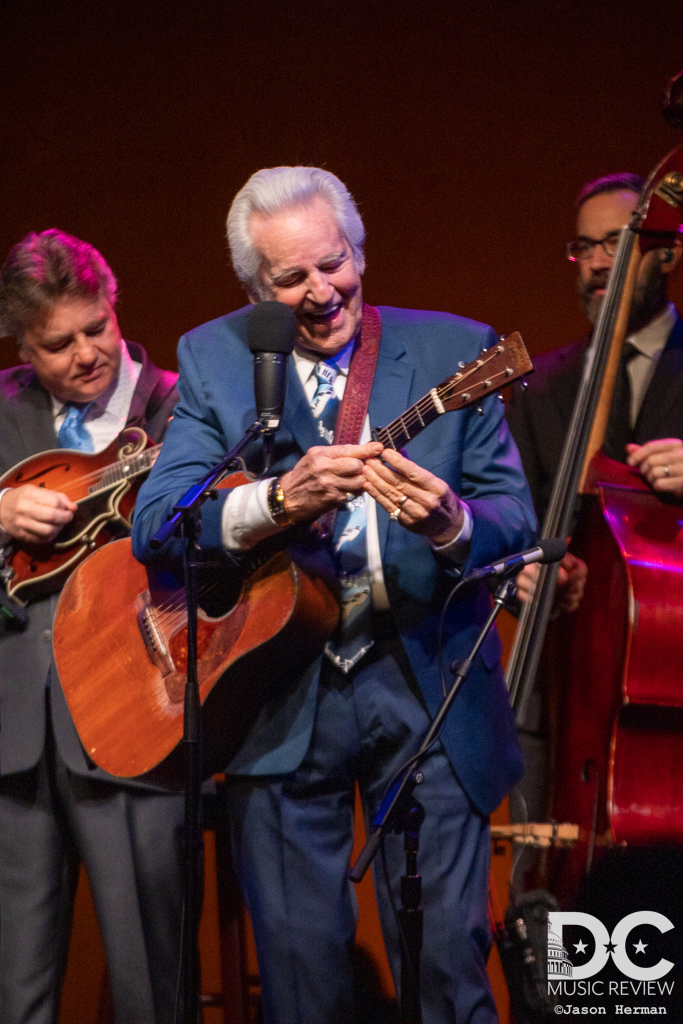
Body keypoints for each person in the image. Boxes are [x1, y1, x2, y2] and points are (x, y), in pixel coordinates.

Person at [132, 166, 537, 1024]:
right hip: (276, 696)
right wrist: (276, 501)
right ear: (256, 291)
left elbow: (512, 519)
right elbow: (159, 522)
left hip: (426, 684)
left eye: (335, 263)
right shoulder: (215, 356)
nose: (322, 292)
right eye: (291, 280)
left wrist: (450, 522)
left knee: (445, 979)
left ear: (358, 250)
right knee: (300, 988)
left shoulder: (452, 349)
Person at [0, 230, 184, 1024]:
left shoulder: (180, 404)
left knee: (152, 980)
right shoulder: (3, 411)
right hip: (14, 731)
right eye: (55, 344)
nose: (83, 355)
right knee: (17, 983)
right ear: (21, 346)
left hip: (130, 714)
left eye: (95, 329)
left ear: (115, 308)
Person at [506, 173, 683, 825]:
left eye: (618, 241)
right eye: (584, 248)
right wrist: (519, 573)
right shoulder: (542, 385)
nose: (597, 262)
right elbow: (510, 526)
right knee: (550, 902)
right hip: (557, 681)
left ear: (666, 252)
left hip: (667, 675)